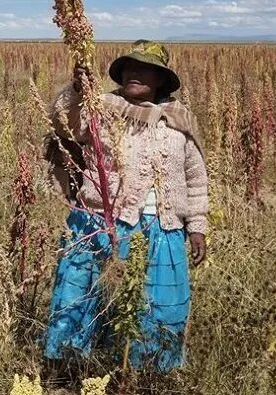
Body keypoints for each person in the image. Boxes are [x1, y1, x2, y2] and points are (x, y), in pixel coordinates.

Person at [43, 40, 208, 372]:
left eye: (146, 68)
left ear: (161, 79)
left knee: (155, 306)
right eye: (129, 67)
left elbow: (196, 177)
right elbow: (62, 124)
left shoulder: (179, 119)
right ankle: (72, 369)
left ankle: (146, 373)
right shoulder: (100, 107)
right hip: (103, 226)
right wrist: (76, 89)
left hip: (163, 231)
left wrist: (198, 226)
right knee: (87, 298)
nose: (135, 72)